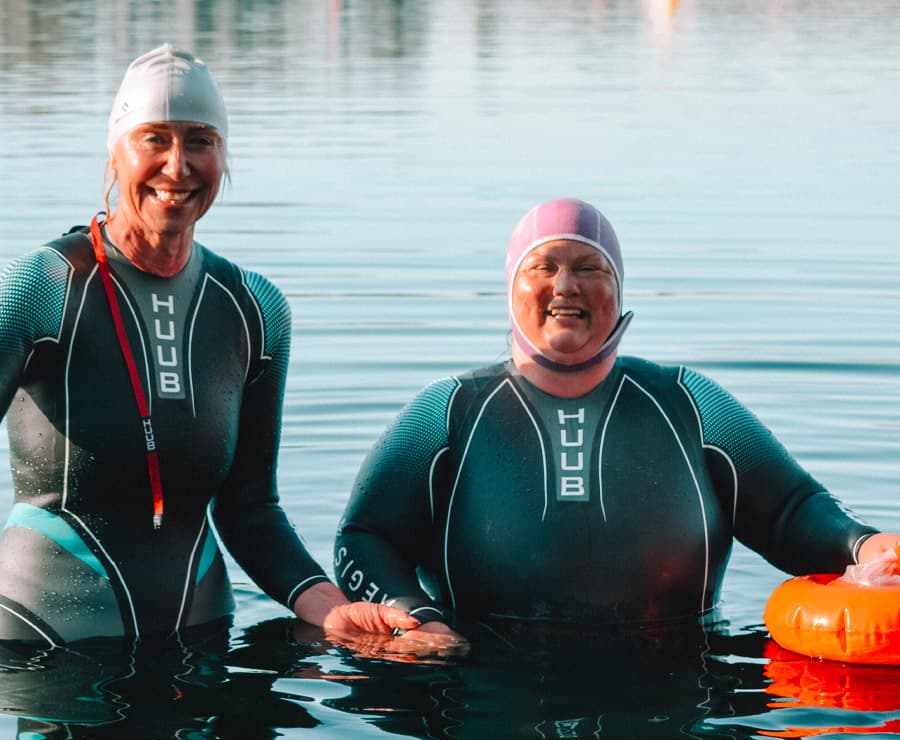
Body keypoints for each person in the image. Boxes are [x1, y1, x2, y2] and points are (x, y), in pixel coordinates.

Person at [334, 197, 899, 646]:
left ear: (618, 288)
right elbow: (363, 538)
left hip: (680, 691)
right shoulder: (447, 412)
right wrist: (415, 619)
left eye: (588, 267)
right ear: (511, 288)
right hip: (481, 688)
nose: (565, 286)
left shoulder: (688, 403)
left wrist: (867, 546)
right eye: (543, 267)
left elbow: (791, 511)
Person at [0, 44, 416, 645]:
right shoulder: (39, 289)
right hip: (41, 646)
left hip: (204, 641)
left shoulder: (253, 308)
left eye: (199, 141)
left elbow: (250, 508)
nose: (177, 167)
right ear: (115, 153)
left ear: (223, 156)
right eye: (154, 139)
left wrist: (333, 610)